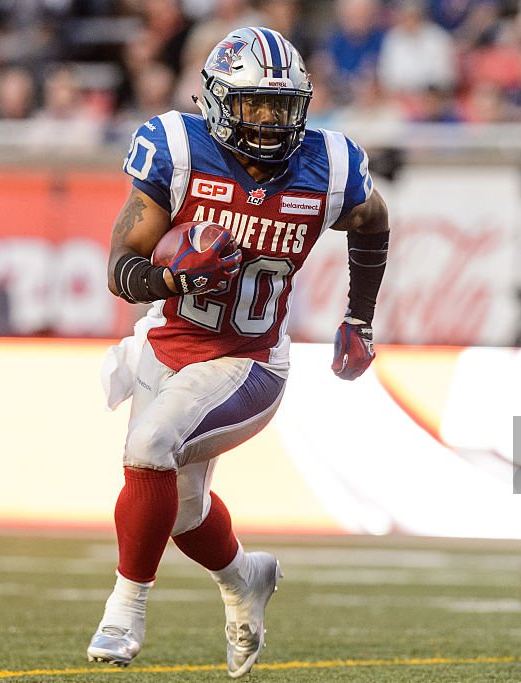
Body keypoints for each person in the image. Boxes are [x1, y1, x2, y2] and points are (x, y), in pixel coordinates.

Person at [87, 26, 390, 677]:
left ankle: (124, 609)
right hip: (166, 346)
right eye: (254, 105)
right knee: (182, 507)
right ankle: (245, 576)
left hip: (249, 357)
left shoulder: (328, 162)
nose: (268, 121)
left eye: (280, 107)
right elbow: (121, 265)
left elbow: (373, 219)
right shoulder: (178, 147)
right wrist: (173, 278)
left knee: (148, 448)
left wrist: (358, 318)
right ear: (220, 101)